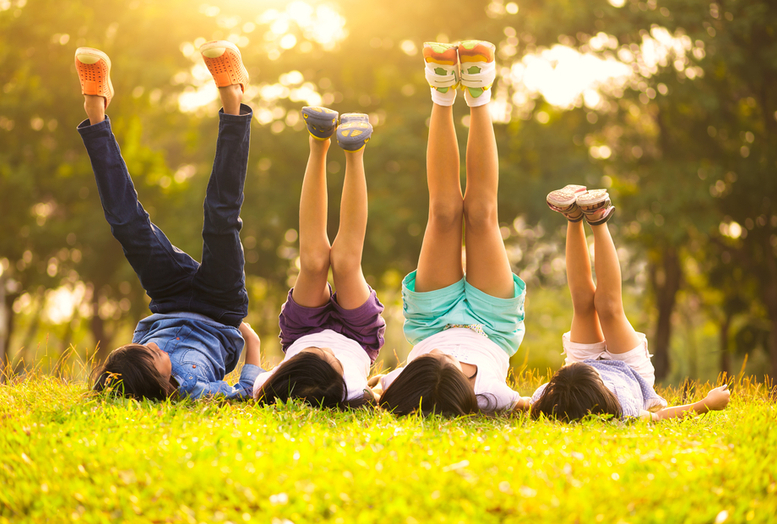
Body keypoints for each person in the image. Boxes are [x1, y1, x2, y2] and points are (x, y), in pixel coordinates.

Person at [80, 41, 265, 400]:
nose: (149, 348)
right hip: (220, 304)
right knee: (220, 218)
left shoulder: (127, 376)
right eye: (151, 355)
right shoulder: (193, 392)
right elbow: (245, 392)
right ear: (161, 383)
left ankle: (95, 109)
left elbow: (124, 371)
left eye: (143, 350)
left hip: (168, 298)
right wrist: (250, 339)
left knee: (127, 226)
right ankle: (234, 100)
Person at [374, 40, 530, 416]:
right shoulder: (492, 396)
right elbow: (535, 402)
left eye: (434, 362)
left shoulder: (397, 384)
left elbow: (365, 389)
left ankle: (442, 93)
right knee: (480, 213)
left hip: (430, 322)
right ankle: (478, 93)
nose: (447, 358)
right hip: (492, 325)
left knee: (443, 212)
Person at [529, 185, 730, 421]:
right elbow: (661, 417)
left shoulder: (547, 399)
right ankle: (597, 219)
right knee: (608, 307)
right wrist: (706, 404)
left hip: (577, 377)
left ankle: (574, 217)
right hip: (629, 371)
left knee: (582, 304)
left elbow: (517, 403)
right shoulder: (622, 410)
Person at [252, 107, 385, 409]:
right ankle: (354, 150)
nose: (326, 350)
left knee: (313, 263)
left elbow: (245, 385)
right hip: (357, 335)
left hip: (302, 329)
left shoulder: (269, 386)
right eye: (331, 360)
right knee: (345, 263)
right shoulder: (352, 392)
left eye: (316, 354)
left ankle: (318, 140)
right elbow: (381, 394)